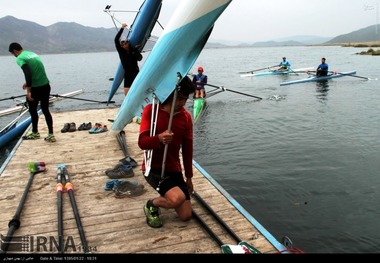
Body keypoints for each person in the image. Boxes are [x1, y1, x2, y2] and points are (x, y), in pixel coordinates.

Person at [138, 75, 195, 228]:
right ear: (171, 94)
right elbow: (142, 143)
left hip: (173, 168)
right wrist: (159, 139)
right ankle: (152, 204)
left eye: (186, 99)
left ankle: (169, 194)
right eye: (180, 98)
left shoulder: (186, 118)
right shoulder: (152, 110)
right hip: (154, 169)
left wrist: (188, 177)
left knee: (186, 215)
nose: (183, 103)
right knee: (176, 199)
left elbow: (188, 150)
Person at [8, 42, 56, 142]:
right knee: (45, 110)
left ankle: (35, 132)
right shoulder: (32, 54)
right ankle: (51, 134)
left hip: (36, 88)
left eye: (13, 54)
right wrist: (28, 83)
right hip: (46, 85)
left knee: (33, 110)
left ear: (15, 51)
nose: (14, 56)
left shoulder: (20, 58)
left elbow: (27, 73)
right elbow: (37, 70)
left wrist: (29, 91)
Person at [115, 23, 143, 96]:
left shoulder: (133, 50)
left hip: (136, 72)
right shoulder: (121, 52)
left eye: (126, 43)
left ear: (128, 43)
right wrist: (122, 28)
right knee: (127, 92)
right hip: (127, 74)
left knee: (138, 90)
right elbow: (116, 40)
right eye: (123, 44)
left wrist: (136, 50)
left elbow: (140, 58)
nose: (124, 45)